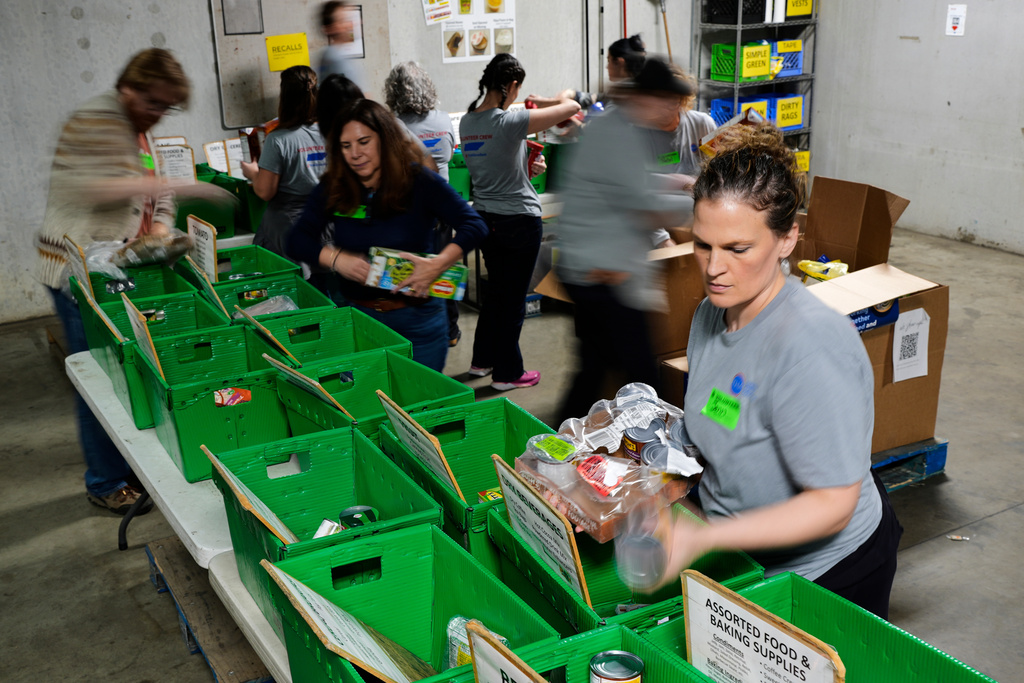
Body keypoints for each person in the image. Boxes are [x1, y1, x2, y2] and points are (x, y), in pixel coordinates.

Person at [657, 124, 902, 618]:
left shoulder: (809, 345)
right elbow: (725, 415)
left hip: (828, 575)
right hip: (747, 559)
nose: (713, 268)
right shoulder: (712, 313)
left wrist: (705, 536)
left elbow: (832, 503)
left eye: (738, 249)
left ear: (788, 237)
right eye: (703, 245)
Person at [34, 48, 230, 515]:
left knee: (122, 370)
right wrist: (188, 189)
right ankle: (104, 480)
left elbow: (155, 185)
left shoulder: (137, 130)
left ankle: (122, 468)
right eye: (154, 104)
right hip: (76, 269)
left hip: (116, 265)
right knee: (100, 378)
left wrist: (162, 224)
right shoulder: (95, 121)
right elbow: (92, 186)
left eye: (167, 108)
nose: (159, 115)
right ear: (129, 89)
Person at [287, 99, 487, 372]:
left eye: (364, 142)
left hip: (419, 322)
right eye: (346, 146)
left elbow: (474, 225)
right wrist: (335, 259)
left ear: (384, 139)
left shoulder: (418, 181)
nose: (355, 153)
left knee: (418, 409)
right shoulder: (335, 186)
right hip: (358, 319)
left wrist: (438, 265)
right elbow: (297, 239)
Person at [555, 57, 696, 424]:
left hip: (593, 268)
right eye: (666, 100)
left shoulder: (619, 127)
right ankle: (658, 450)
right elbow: (641, 204)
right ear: (646, 97)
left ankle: (559, 438)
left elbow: (629, 184)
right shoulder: (616, 133)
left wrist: (679, 182)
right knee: (639, 374)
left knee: (596, 367)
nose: (671, 109)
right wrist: (702, 207)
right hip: (602, 273)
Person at [460, 54, 580, 391]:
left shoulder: (468, 123)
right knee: (512, 301)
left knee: (496, 294)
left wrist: (527, 168)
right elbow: (571, 107)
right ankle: (507, 373)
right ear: (512, 86)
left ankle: (481, 360)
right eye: (517, 89)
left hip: (487, 219)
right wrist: (550, 99)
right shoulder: (508, 121)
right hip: (519, 222)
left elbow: (492, 168)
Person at [384, 61, 463, 347]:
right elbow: (449, 153)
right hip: (442, 209)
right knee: (444, 269)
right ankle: (451, 331)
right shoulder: (443, 119)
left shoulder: (392, 125)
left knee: (410, 270)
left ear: (393, 91)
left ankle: (414, 331)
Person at [241, 65, 325, 257]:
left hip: (292, 226)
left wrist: (253, 172)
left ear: (285, 97)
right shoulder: (332, 132)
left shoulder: (278, 140)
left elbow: (265, 191)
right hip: (327, 224)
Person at [641, 66, 716, 179]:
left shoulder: (702, 124)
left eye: (672, 102)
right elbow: (642, 179)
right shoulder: (641, 133)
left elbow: (718, 166)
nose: (665, 110)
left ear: (682, 100)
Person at [318, 1, 367, 91]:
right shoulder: (335, 60)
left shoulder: (329, 56)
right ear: (331, 29)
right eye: (344, 21)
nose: (351, 25)